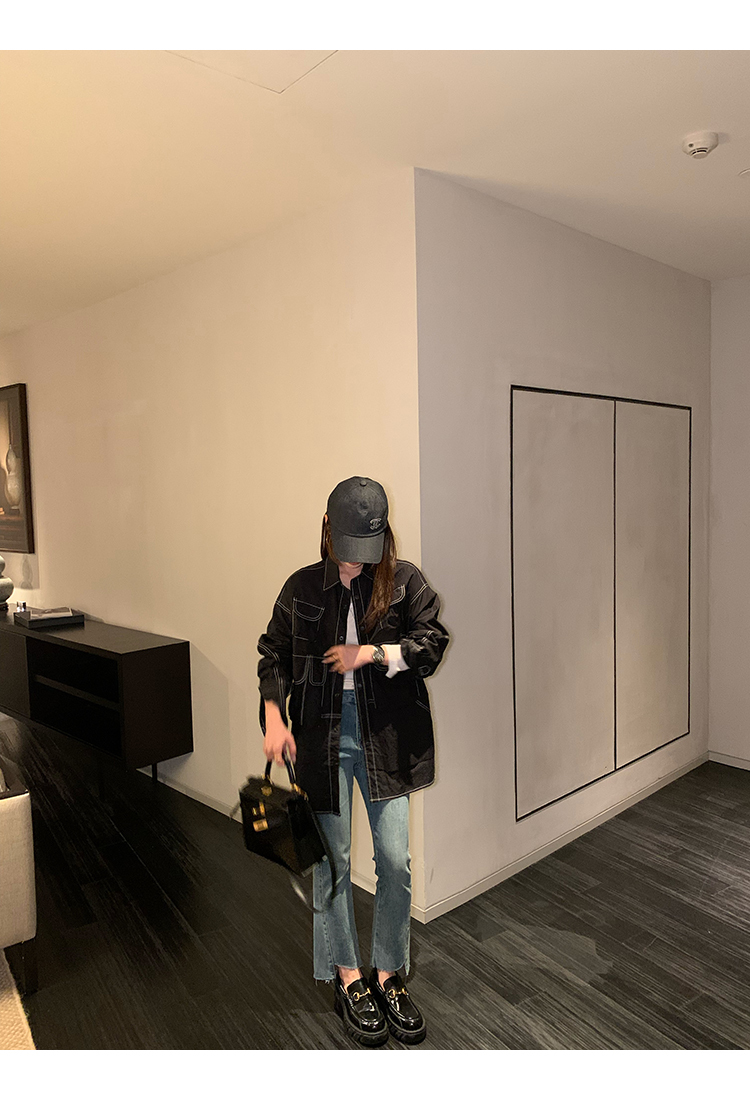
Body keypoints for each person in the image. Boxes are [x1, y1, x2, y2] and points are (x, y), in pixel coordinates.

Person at [257, 476, 449, 1047]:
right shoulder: (301, 588)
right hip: (321, 739)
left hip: (386, 738)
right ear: (327, 530)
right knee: (334, 862)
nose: (354, 563)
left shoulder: (404, 582)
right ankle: (348, 977)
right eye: (345, 549)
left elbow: (431, 644)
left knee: (395, 861)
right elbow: (272, 654)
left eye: (365, 550)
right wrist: (274, 715)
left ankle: (387, 974)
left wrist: (372, 653)